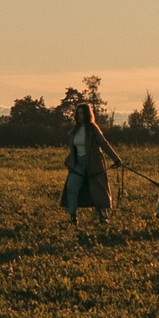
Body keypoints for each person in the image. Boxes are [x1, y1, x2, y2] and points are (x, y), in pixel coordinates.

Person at [63, 96, 127, 226]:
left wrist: (116, 159)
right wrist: (69, 159)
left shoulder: (92, 129)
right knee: (71, 188)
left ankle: (103, 218)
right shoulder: (75, 130)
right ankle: (73, 216)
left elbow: (104, 144)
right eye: (78, 113)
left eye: (82, 113)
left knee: (97, 191)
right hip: (78, 165)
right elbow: (76, 147)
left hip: (93, 163)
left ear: (86, 114)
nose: (79, 115)